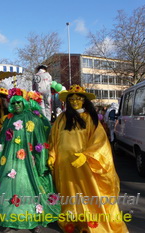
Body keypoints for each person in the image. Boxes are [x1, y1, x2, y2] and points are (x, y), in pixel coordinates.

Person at [48, 84, 128, 233]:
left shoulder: (91, 119)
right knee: (68, 193)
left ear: (84, 100)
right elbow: (54, 138)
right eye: (72, 99)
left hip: (83, 166)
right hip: (64, 166)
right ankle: (72, 221)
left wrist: (86, 156)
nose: (75, 101)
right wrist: (52, 155)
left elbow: (100, 143)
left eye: (78, 98)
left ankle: (88, 223)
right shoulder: (61, 118)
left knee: (87, 194)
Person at [0, 88, 60, 233]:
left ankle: (34, 220)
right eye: (13, 103)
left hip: (28, 162)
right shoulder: (8, 119)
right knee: (8, 188)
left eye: (19, 103)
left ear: (24, 103)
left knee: (30, 187)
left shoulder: (33, 118)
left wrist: (41, 161)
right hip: (10, 161)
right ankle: (9, 219)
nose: (16, 106)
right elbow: (2, 139)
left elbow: (40, 140)